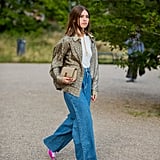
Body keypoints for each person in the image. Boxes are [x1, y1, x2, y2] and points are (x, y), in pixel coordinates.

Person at [43, 5, 99, 160]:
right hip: (72, 85)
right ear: (74, 19)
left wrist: (94, 88)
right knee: (85, 123)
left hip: (87, 82)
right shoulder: (66, 41)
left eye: (87, 16)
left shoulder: (91, 40)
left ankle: (53, 144)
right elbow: (55, 63)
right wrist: (60, 78)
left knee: (77, 118)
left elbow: (94, 65)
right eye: (81, 16)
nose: (85, 19)